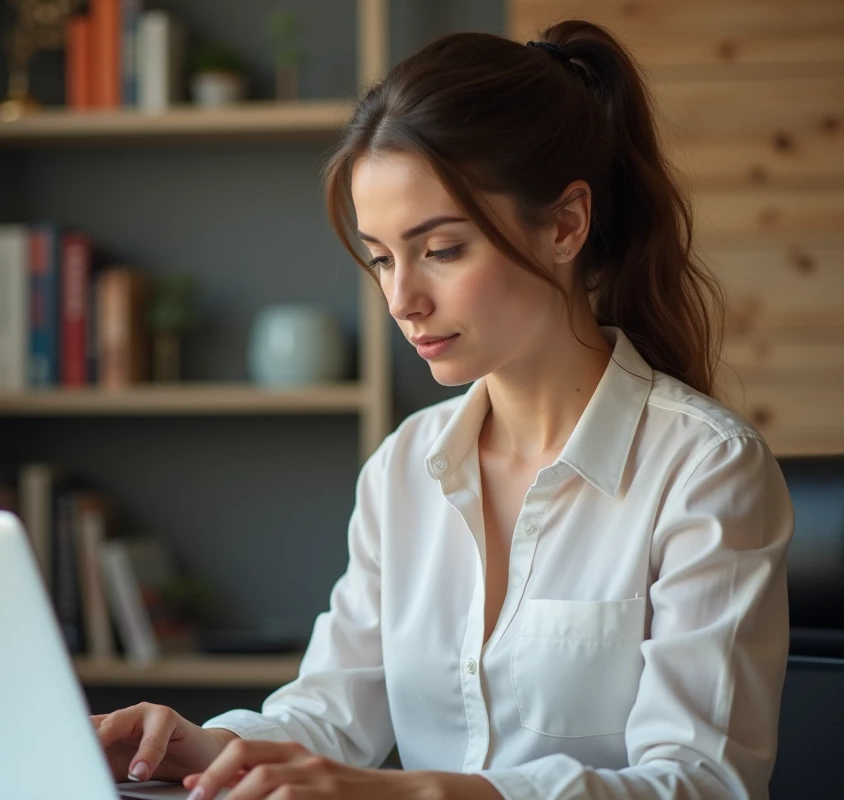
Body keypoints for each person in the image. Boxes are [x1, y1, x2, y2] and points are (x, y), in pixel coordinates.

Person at [92, 20, 792, 800]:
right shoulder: (404, 465)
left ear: (565, 224)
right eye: (384, 258)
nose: (402, 300)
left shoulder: (703, 468)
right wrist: (208, 745)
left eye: (443, 249)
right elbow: (331, 711)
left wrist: (417, 793)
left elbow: (702, 783)